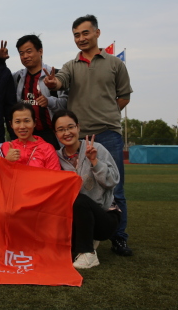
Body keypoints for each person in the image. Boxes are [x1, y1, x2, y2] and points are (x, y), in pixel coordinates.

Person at [43, 14, 133, 256]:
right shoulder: (71, 66)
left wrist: (108, 114)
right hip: (78, 136)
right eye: (76, 35)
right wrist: (52, 84)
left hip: (108, 132)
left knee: (116, 188)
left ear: (97, 33)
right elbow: (60, 81)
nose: (81, 38)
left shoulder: (115, 64)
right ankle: (83, 234)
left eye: (85, 33)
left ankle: (119, 238)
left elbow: (124, 96)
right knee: (78, 189)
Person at [53, 110, 121, 269]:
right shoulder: (56, 157)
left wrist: (95, 162)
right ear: (56, 134)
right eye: (61, 129)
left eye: (70, 127)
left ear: (78, 127)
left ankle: (88, 252)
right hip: (75, 219)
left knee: (79, 199)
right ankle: (84, 241)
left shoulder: (96, 147)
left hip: (104, 216)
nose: (67, 133)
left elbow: (113, 181)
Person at [12, 35, 67, 149]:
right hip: (27, 136)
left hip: (52, 135)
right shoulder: (18, 77)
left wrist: (49, 101)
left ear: (40, 51)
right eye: (21, 53)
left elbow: (67, 104)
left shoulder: (56, 75)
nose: (25, 56)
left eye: (29, 51)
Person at [0, 103, 59, 170]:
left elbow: (54, 174)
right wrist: (7, 161)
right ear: (11, 124)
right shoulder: (6, 147)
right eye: (17, 122)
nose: (22, 126)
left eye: (27, 121)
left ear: (34, 123)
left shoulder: (47, 149)